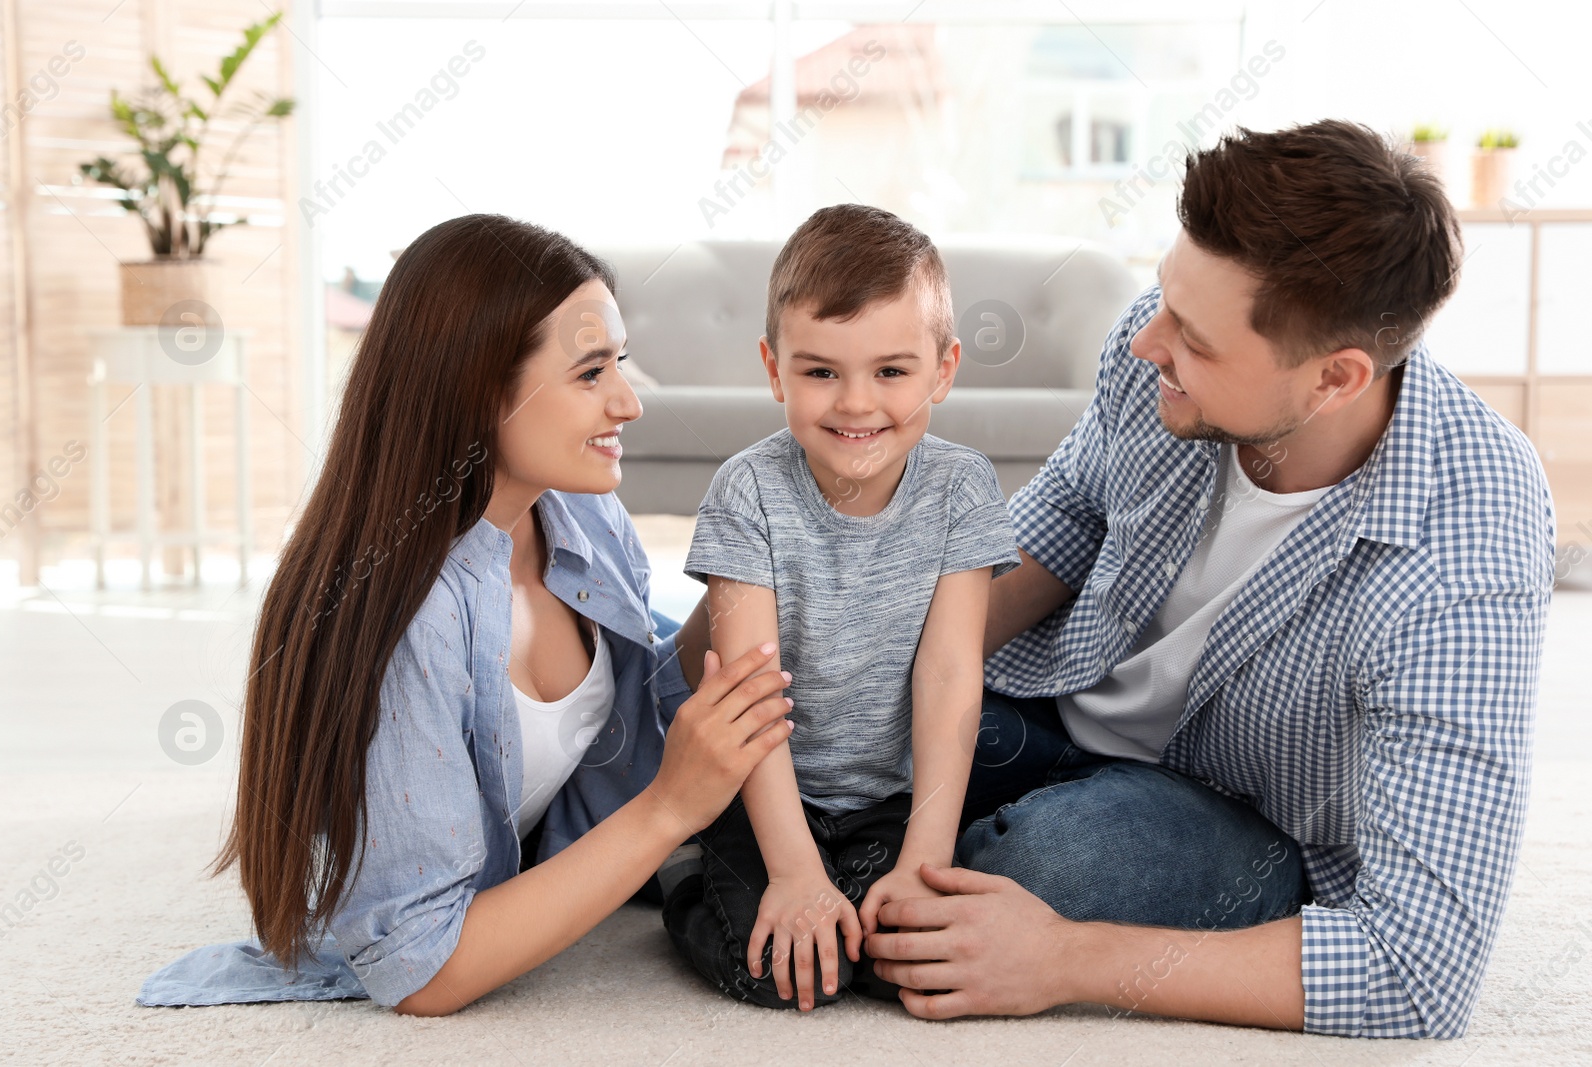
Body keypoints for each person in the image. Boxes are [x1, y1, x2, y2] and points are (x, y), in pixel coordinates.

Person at [863, 120, 1556, 1039]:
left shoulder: (1467, 542)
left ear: (1334, 379)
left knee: (1051, 872)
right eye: (1162, 297)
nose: (1148, 340)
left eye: (1192, 336)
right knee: (846, 709)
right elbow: (1065, 517)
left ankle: (836, 875)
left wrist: (1063, 959)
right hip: (1059, 702)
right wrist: (878, 652)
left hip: (1241, 815)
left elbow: (1418, 967)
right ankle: (835, 863)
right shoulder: (1159, 353)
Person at [137, 215, 795, 1016]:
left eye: (620, 361)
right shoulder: (413, 621)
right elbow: (422, 971)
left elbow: (625, 710)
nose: (630, 400)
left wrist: (745, 591)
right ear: (478, 388)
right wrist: (669, 811)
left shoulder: (580, 515)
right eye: (592, 372)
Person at [659, 204, 1021, 1011]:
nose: (856, 404)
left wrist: (924, 855)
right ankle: (683, 867)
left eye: (891, 372)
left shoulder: (963, 487)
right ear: (774, 367)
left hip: (887, 802)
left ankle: (856, 884)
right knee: (774, 965)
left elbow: (951, 673)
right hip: (761, 792)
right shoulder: (746, 490)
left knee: (900, 954)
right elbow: (748, 692)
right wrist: (791, 869)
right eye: (821, 371)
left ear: (944, 368)